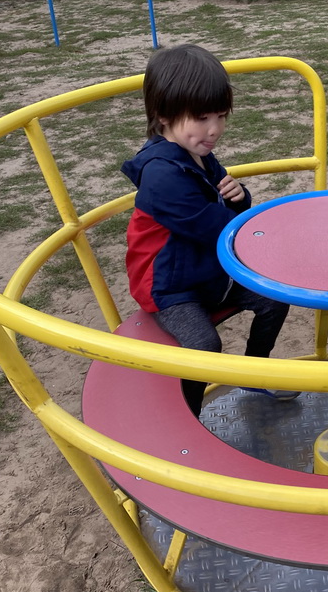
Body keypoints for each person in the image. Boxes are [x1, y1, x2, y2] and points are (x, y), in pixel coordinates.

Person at [122, 44, 297, 417]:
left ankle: (254, 370)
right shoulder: (161, 176)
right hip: (171, 286)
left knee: (275, 299)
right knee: (204, 345)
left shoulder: (197, 152)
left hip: (208, 271)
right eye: (202, 118)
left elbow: (227, 210)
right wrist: (253, 225)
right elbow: (216, 230)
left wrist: (239, 197)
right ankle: (188, 415)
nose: (214, 130)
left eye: (221, 116)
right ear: (164, 115)